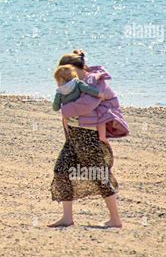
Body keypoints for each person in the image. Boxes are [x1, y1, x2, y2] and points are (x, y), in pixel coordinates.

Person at [49, 50, 129, 229]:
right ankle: (67, 218)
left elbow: (87, 106)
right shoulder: (72, 84)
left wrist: (65, 111)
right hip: (74, 136)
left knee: (99, 176)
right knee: (61, 170)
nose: (66, 75)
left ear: (77, 68)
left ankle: (115, 219)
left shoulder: (95, 81)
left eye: (68, 70)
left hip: (89, 137)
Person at [52, 63, 108, 144]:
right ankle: (102, 136)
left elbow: (55, 107)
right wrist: (99, 94)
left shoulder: (60, 92)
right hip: (80, 111)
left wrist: (57, 105)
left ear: (60, 80)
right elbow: (88, 89)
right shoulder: (78, 83)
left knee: (64, 118)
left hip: (70, 114)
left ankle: (68, 136)